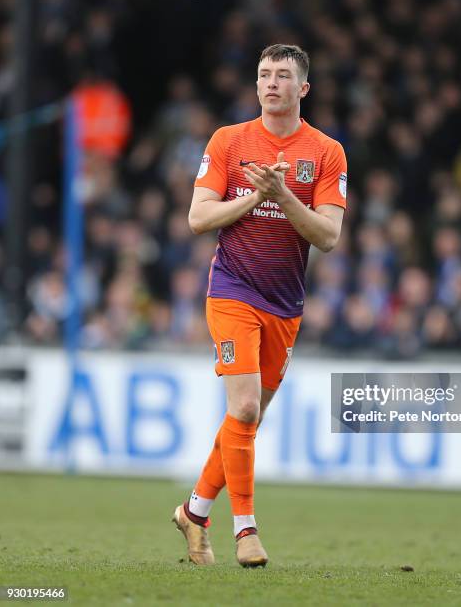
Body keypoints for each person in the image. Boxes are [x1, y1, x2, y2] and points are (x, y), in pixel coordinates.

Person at [172, 44, 347, 567]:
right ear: (256, 85)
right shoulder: (229, 141)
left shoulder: (326, 151)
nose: (272, 82)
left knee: (245, 419)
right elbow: (198, 219)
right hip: (232, 289)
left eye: (283, 75)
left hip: (285, 301)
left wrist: (282, 193)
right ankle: (245, 530)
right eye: (264, 74)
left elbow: (329, 236)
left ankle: (193, 512)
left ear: (303, 88)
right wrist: (254, 196)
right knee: (245, 407)